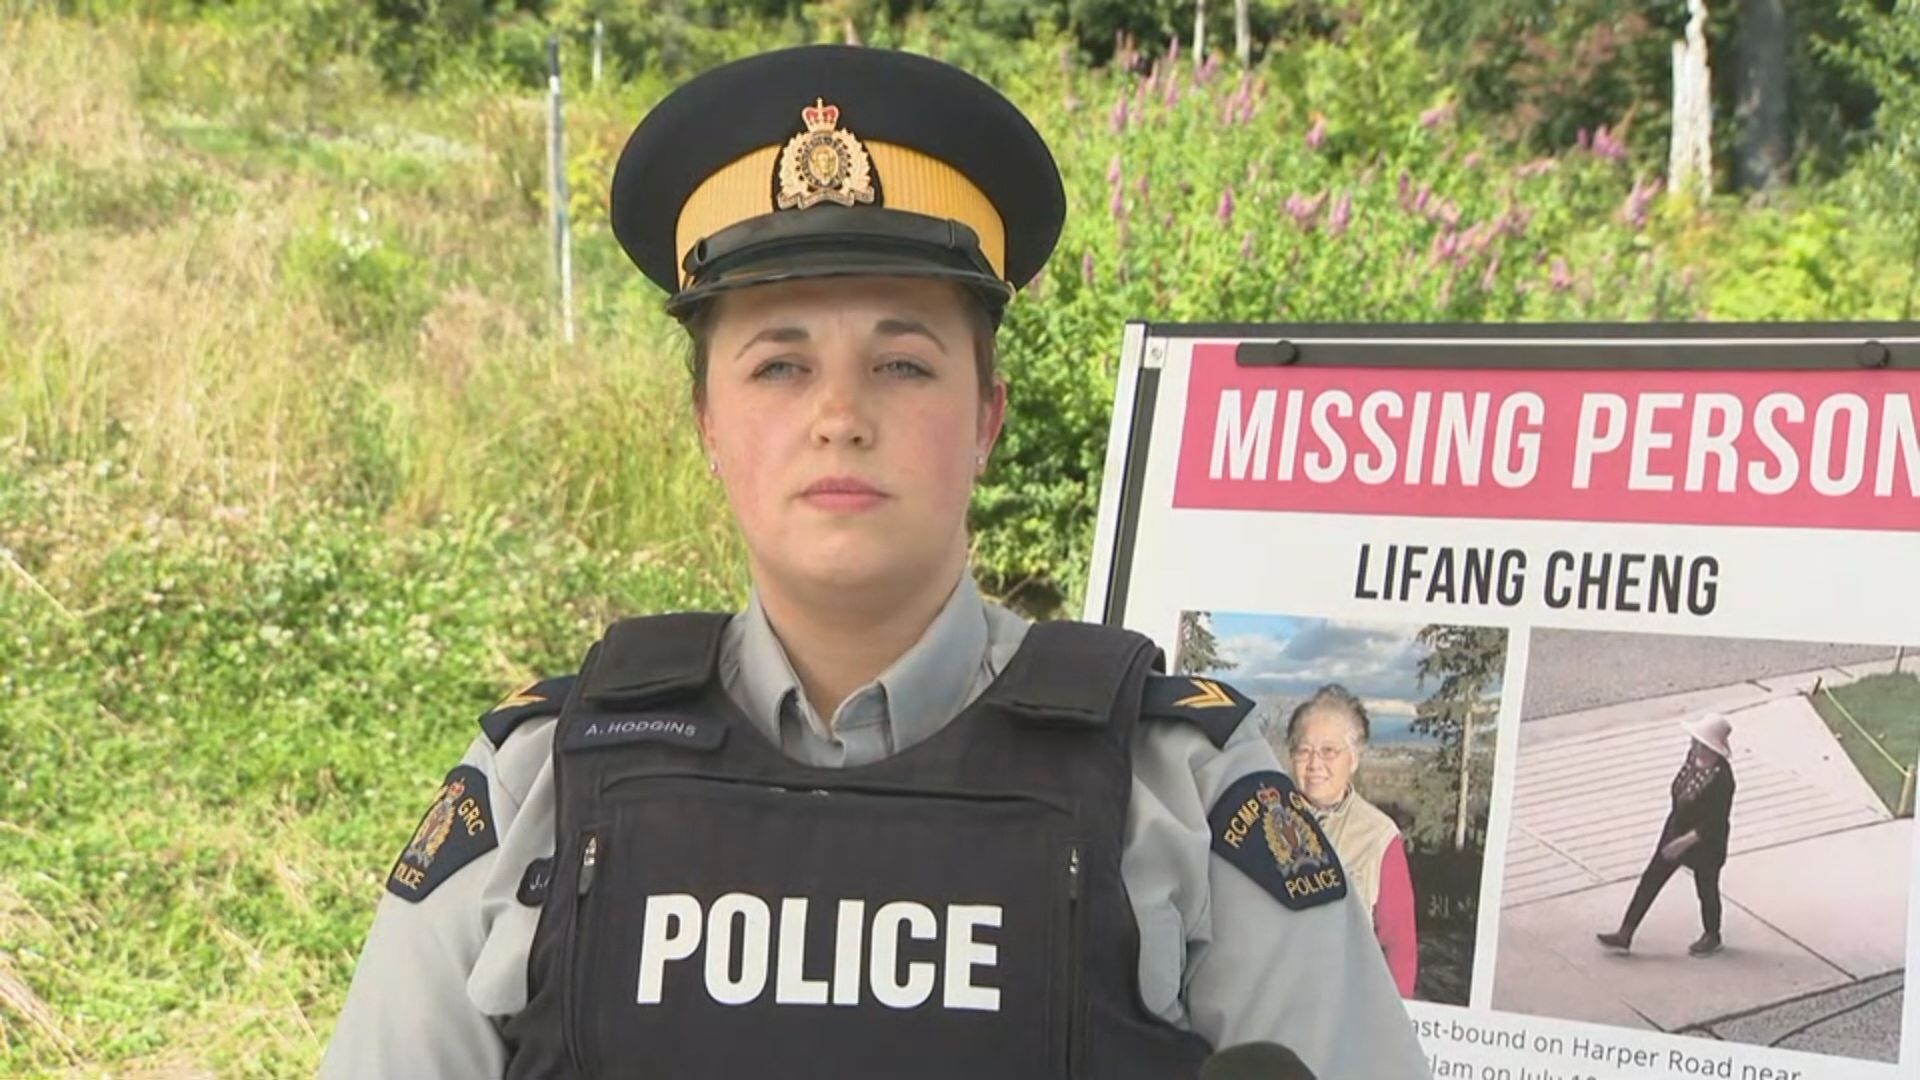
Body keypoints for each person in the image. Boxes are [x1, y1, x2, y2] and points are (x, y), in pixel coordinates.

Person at [317, 43, 1427, 1080]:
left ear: (986, 414)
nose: (840, 416)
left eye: (901, 364)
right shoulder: (540, 784)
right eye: (778, 367)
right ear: (706, 420)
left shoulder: (1181, 786)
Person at [1284, 684, 1419, 998]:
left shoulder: (1378, 837)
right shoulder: (1265, 819)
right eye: (1303, 750)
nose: (1314, 763)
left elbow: (1399, 947)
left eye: (1329, 751)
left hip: (1344, 1006)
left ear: (1354, 758)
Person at [1596, 711, 1737, 957]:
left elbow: (1714, 823)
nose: (1696, 747)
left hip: (1704, 843)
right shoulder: (1692, 759)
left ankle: (1712, 935)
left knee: (1707, 888)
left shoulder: (1723, 779)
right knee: (1651, 879)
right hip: (1676, 830)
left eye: (1702, 744)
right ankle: (1625, 933)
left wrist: (1684, 843)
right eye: (1696, 742)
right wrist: (1673, 835)